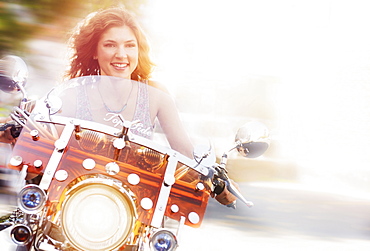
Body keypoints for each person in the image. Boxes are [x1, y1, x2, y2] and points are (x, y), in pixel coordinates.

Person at [1, 6, 236, 205]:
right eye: (110, 45)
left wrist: (213, 175)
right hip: (74, 199)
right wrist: (24, 125)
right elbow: (46, 130)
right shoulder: (73, 93)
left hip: (132, 206)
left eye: (129, 45)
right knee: (32, 229)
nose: (121, 54)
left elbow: (185, 150)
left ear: (138, 50)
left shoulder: (156, 96)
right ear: (94, 51)